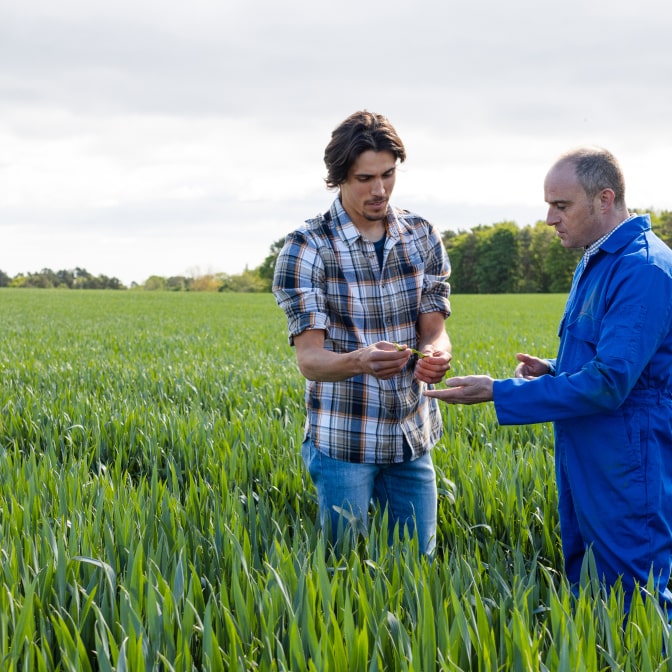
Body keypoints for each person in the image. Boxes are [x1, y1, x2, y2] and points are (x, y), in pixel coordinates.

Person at [425, 147, 672, 612]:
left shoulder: (641, 268)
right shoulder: (597, 260)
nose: (548, 219)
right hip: (587, 452)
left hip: (627, 461)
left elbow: (611, 382)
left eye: (561, 206)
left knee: (634, 601)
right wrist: (553, 371)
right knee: (589, 588)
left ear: (604, 199)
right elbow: (613, 364)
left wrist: (499, 392)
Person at [273, 110, 452, 555]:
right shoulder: (306, 247)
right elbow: (310, 361)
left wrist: (434, 353)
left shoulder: (421, 235)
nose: (379, 190)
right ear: (338, 179)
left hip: (412, 434)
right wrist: (359, 360)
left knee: (417, 570)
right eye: (364, 178)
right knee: (344, 570)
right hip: (344, 441)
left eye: (388, 175)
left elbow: (436, 329)